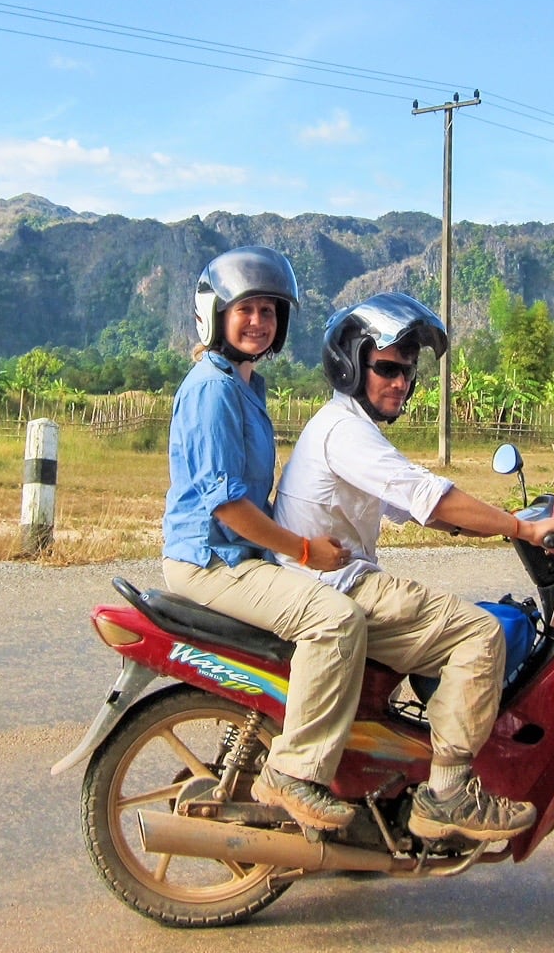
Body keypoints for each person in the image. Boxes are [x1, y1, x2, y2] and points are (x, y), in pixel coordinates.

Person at [272, 291, 554, 842]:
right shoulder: (345, 431)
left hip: (321, 581)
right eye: (387, 368)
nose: (400, 384)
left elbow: (420, 510)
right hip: (335, 585)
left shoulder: (347, 429)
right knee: (480, 635)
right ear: (351, 364)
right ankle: (447, 792)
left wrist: (499, 520)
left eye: (408, 374)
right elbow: (429, 497)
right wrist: (524, 529)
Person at [161, 244, 365, 832]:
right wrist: (302, 552)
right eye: (246, 309)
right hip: (211, 560)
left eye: (270, 311)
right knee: (335, 622)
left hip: (237, 554)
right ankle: (294, 774)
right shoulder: (213, 388)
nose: (258, 322)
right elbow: (226, 505)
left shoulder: (247, 385)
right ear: (216, 314)